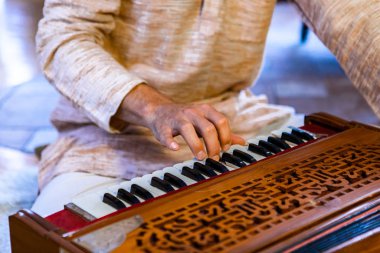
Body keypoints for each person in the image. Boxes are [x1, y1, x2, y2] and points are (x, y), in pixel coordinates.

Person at [32, 0, 380, 216]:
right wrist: (154, 107)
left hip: (238, 127)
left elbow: (358, 18)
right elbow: (64, 38)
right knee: (60, 235)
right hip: (109, 139)